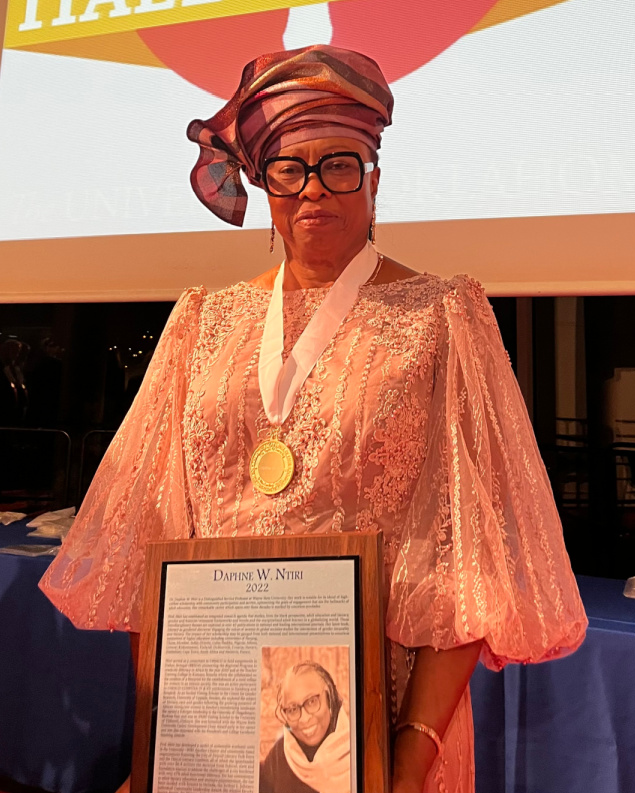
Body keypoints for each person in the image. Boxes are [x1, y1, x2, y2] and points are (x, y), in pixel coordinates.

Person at [40, 44, 587, 793]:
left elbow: (471, 566)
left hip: (381, 716)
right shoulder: (201, 321)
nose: (312, 190)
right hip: (214, 713)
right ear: (262, 182)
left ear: (374, 175)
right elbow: (150, 545)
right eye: (287, 169)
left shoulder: (441, 319)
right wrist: (158, 744)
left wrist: (409, 753)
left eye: (339, 163)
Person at [260, 661, 349, 793]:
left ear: (330, 697)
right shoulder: (279, 756)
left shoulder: (357, 747)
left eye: (312, 702)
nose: (304, 718)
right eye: (292, 709)